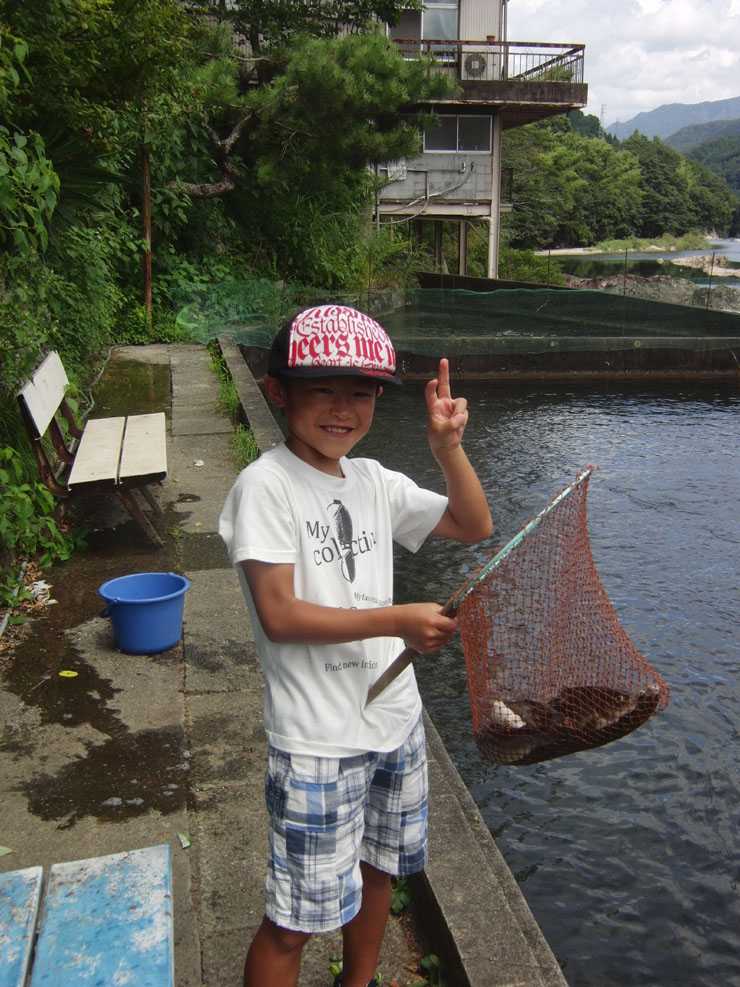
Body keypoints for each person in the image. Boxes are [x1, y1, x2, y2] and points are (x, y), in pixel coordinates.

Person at [218, 304, 492, 987]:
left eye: (361, 392)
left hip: (393, 724)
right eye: (323, 390)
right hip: (317, 739)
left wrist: (447, 448)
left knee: (380, 872)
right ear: (279, 391)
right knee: (292, 920)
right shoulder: (266, 486)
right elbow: (279, 614)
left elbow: (472, 522)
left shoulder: (373, 481)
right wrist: (397, 618)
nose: (343, 409)